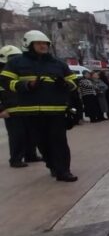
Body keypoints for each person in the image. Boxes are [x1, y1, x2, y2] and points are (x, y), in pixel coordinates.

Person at [0, 30, 78, 181]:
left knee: (59, 142)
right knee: (41, 142)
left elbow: (75, 82)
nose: (43, 46)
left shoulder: (58, 64)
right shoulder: (16, 63)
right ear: (28, 44)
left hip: (56, 111)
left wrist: (66, 84)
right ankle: (52, 165)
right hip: (30, 111)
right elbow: (5, 82)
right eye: (39, 43)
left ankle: (64, 171)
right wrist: (27, 85)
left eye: (45, 43)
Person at [0, 44, 41, 167]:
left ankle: (31, 155)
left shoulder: (20, 70)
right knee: (17, 135)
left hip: (26, 107)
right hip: (10, 109)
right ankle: (15, 159)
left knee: (31, 133)